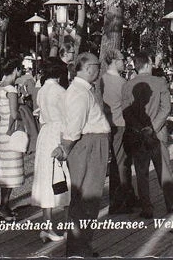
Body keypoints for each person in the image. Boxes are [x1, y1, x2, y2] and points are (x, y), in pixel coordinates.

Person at [52, 53, 110, 257]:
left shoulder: (83, 90)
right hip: (88, 146)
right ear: (86, 68)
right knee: (86, 200)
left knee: (87, 201)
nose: (99, 69)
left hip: (92, 145)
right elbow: (74, 128)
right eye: (97, 65)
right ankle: (78, 250)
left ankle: (81, 246)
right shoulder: (79, 92)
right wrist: (65, 148)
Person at [121, 52, 173, 218]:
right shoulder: (160, 82)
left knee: (141, 171)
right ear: (146, 64)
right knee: (164, 168)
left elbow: (126, 112)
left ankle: (147, 208)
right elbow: (166, 108)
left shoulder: (127, 85)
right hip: (157, 133)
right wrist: (153, 127)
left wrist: (139, 128)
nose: (152, 66)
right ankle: (172, 202)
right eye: (151, 64)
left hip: (137, 134)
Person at [30, 58, 69, 243]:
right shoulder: (60, 91)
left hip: (45, 134)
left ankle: (47, 224)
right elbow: (68, 117)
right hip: (57, 133)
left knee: (47, 178)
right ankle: (68, 225)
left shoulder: (42, 90)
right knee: (63, 177)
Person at [101, 49, 136, 214]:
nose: (125, 63)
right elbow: (129, 107)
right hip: (121, 125)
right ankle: (119, 203)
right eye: (122, 60)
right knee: (121, 164)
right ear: (114, 61)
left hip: (107, 125)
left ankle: (126, 198)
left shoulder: (101, 81)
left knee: (116, 163)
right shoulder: (122, 83)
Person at [0, 59, 23, 221]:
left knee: (5, 171)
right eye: (20, 70)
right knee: (12, 172)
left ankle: (4, 205)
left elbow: (1, 111)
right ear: (15, 70)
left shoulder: (1, 87)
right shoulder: (11, 90)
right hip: (10, 131)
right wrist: (26, 112)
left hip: (2, 131)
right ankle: (3, 206)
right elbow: (14, 114)